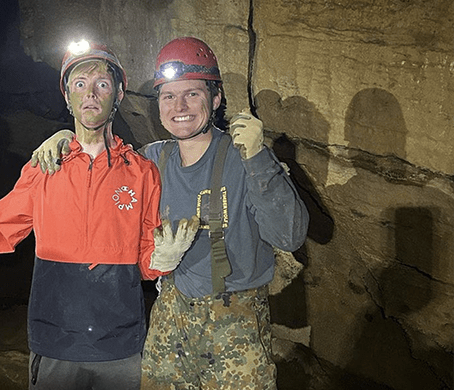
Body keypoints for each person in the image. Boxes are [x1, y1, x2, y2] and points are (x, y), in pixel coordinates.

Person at [0, 41, 199, 390]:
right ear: (67, 97)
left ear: (119, 94)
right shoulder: (44, 167)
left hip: (120, 345)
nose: (91, 94)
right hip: (55, 342)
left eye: (102, 84)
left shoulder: (142, 172)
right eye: (79, 84)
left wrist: (163, 258)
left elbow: (142, 261)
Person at [30, 37, 309, 389]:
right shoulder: (151, 160)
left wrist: (259, 160)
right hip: (171, 315)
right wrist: (65, 138)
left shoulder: (244, 158)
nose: (180, 105)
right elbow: (99, 163)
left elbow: (289, 236)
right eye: (168, 96)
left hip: (235, 323)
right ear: (159, 105)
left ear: (216, 98)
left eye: (192, 94)